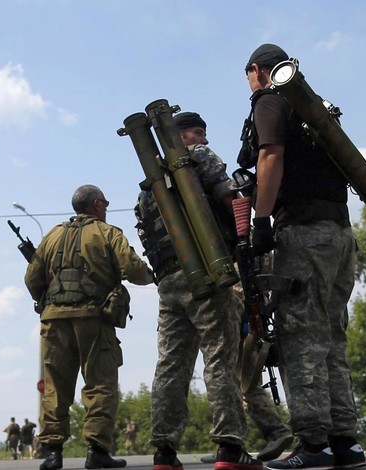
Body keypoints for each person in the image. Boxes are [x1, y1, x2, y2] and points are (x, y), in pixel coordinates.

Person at [242, 43, 366, 470]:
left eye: (248, 78)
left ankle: (313, 444)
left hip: (304, 234)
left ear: (256, 70)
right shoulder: (314, 110)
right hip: (341, 235)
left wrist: (260, 220)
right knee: (332, 336)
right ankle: (345, 442)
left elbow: (269, 154)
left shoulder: (271, 99)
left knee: (300, 336)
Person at [135, 111, 262, 470]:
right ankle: (230, 448)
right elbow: (231, 198)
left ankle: (163, 451)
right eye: (195, 132)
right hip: (207, 273)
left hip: (170, 283)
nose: (202, 138)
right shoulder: (200, 160)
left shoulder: (150, 183)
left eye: (204, 132)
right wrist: (245, 240)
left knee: (170, 366)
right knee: (220, 358)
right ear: (177, 136)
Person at [25, 184, 155, 470]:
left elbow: (32, 279)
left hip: (54, 320)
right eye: (105, 203)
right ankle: (97, 451)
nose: (107, 209)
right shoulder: (108, 233)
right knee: (99, 383)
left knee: (55, 387)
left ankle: (53, 453)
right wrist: (153, 275)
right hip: (93, 320)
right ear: (97, 205)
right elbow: (133, 269)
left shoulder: (52, 236)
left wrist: (50, 301)